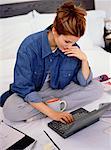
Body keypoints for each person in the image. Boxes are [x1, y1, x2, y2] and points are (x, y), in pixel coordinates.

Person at [2, 2, 103, 123]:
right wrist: (53, 114)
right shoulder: (29, 47)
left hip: (59, 89)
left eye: (73, 42)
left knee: (97, 87)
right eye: (66, 41)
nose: (70, 46)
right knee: (11, 110)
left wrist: (84, 60)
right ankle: (54, 106)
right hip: (36, 92)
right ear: (55, 31)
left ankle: (56, 105)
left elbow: (83, 82)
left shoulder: (73, 48)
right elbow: (24, 88)